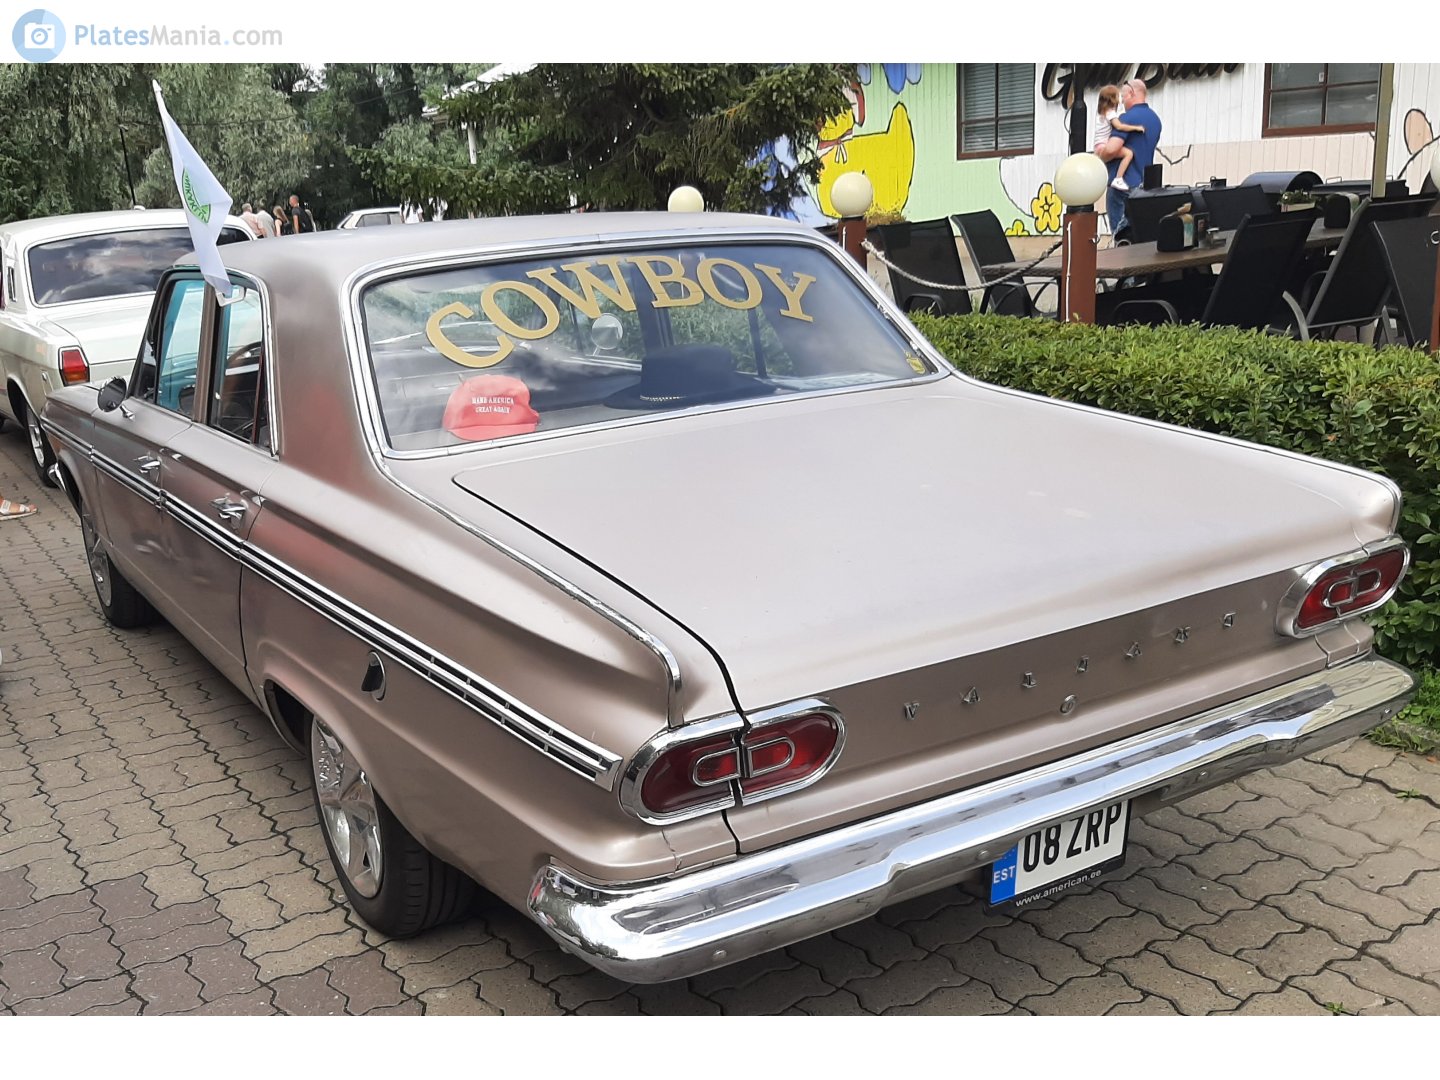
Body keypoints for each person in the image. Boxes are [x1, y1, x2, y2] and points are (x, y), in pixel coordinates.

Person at [1105, 78, 1163, 239]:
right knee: (1139, 237)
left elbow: (1111, 149)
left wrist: (1100, 154)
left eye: (1123, 97)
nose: (1122, 101)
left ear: (1131, 93)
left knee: (1121, 238)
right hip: (1144, 187)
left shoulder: (1126, 119)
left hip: (1122, 186)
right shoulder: (1155, 120)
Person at [1093, 85, 1147, 192]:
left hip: (1098, 146)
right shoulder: (1110, 113)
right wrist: (1136, 128)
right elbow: (1119, 126)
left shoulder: (1101, 114)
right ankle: (1118, 178)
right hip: (1104, 147)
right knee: (1128, 154)